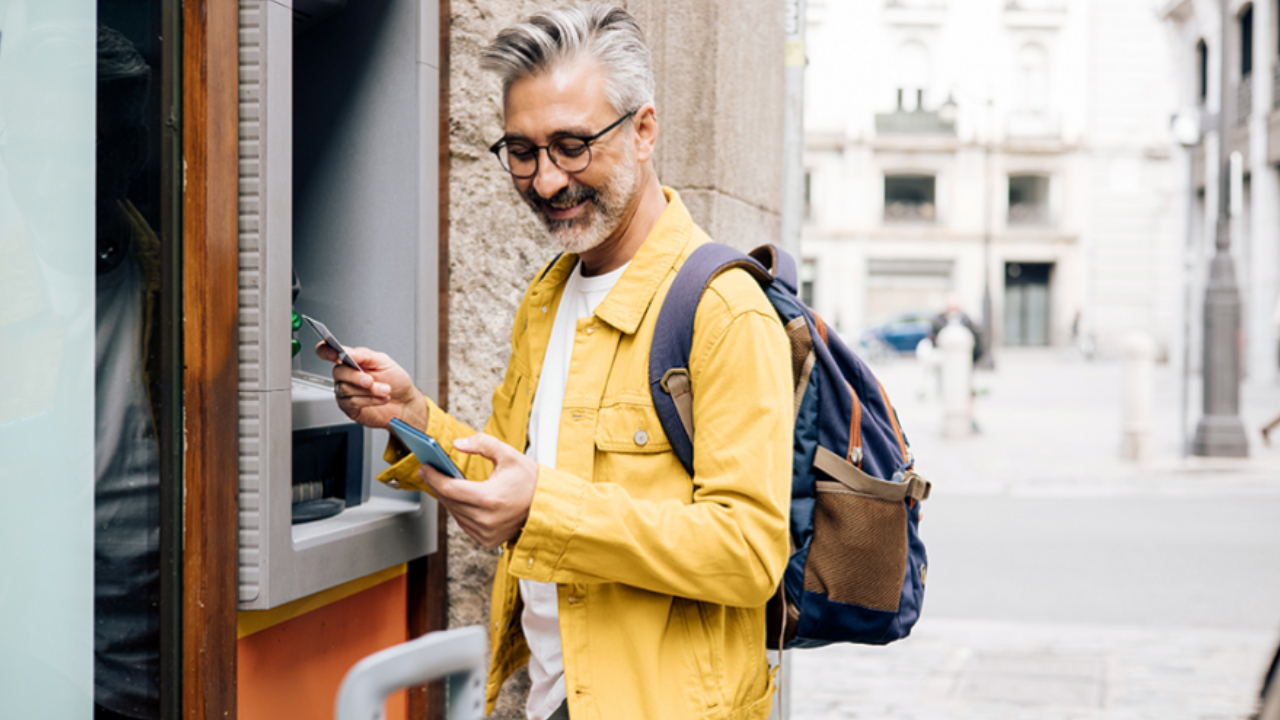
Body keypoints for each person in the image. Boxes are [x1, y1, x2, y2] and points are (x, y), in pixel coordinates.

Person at [317, 5, 793, 719]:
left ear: (643, 131)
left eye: (572, 146)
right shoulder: (549, 297)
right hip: (554, 699)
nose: (544, 181)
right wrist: (411, 416)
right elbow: (507, 476)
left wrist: (545, 505)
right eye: (522, 150)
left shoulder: (724, 309)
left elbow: (750, 553)